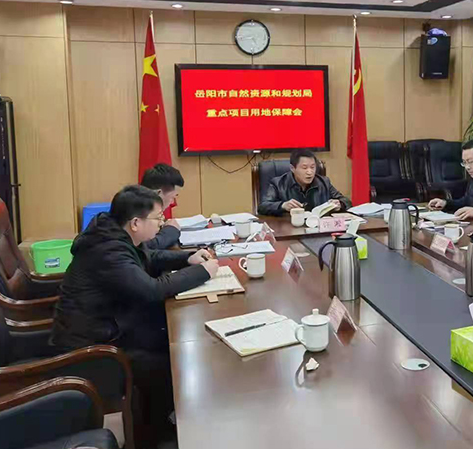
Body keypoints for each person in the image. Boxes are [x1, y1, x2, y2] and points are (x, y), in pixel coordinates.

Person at [51, 185, 218, 445]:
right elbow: (152, 290)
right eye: (158, 218)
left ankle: (164, 422)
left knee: (171, 342)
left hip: (110, 327)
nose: (162, 223)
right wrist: (202, 272)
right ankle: (156, 436)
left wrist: (187, 259)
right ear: (136, 223)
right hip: (91, 349)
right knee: (169, 362)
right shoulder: (108, 250)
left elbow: (148, 257)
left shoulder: (112, 233)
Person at [258, 149, 351, 216]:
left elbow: (346, 201)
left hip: (318, 230)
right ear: (292, 168)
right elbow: (262, 207)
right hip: (290, 230)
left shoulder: (324, 182)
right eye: (304, 168)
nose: (309, 172)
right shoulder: (278, 184)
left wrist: (340, 204)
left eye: (312, 167)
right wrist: (282, 205)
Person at [141, 163, 184, 250]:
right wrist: (171, 230)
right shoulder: (136, 213)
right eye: (173, 197)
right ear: (158, 194)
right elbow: (146, 248)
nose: (172, 202)